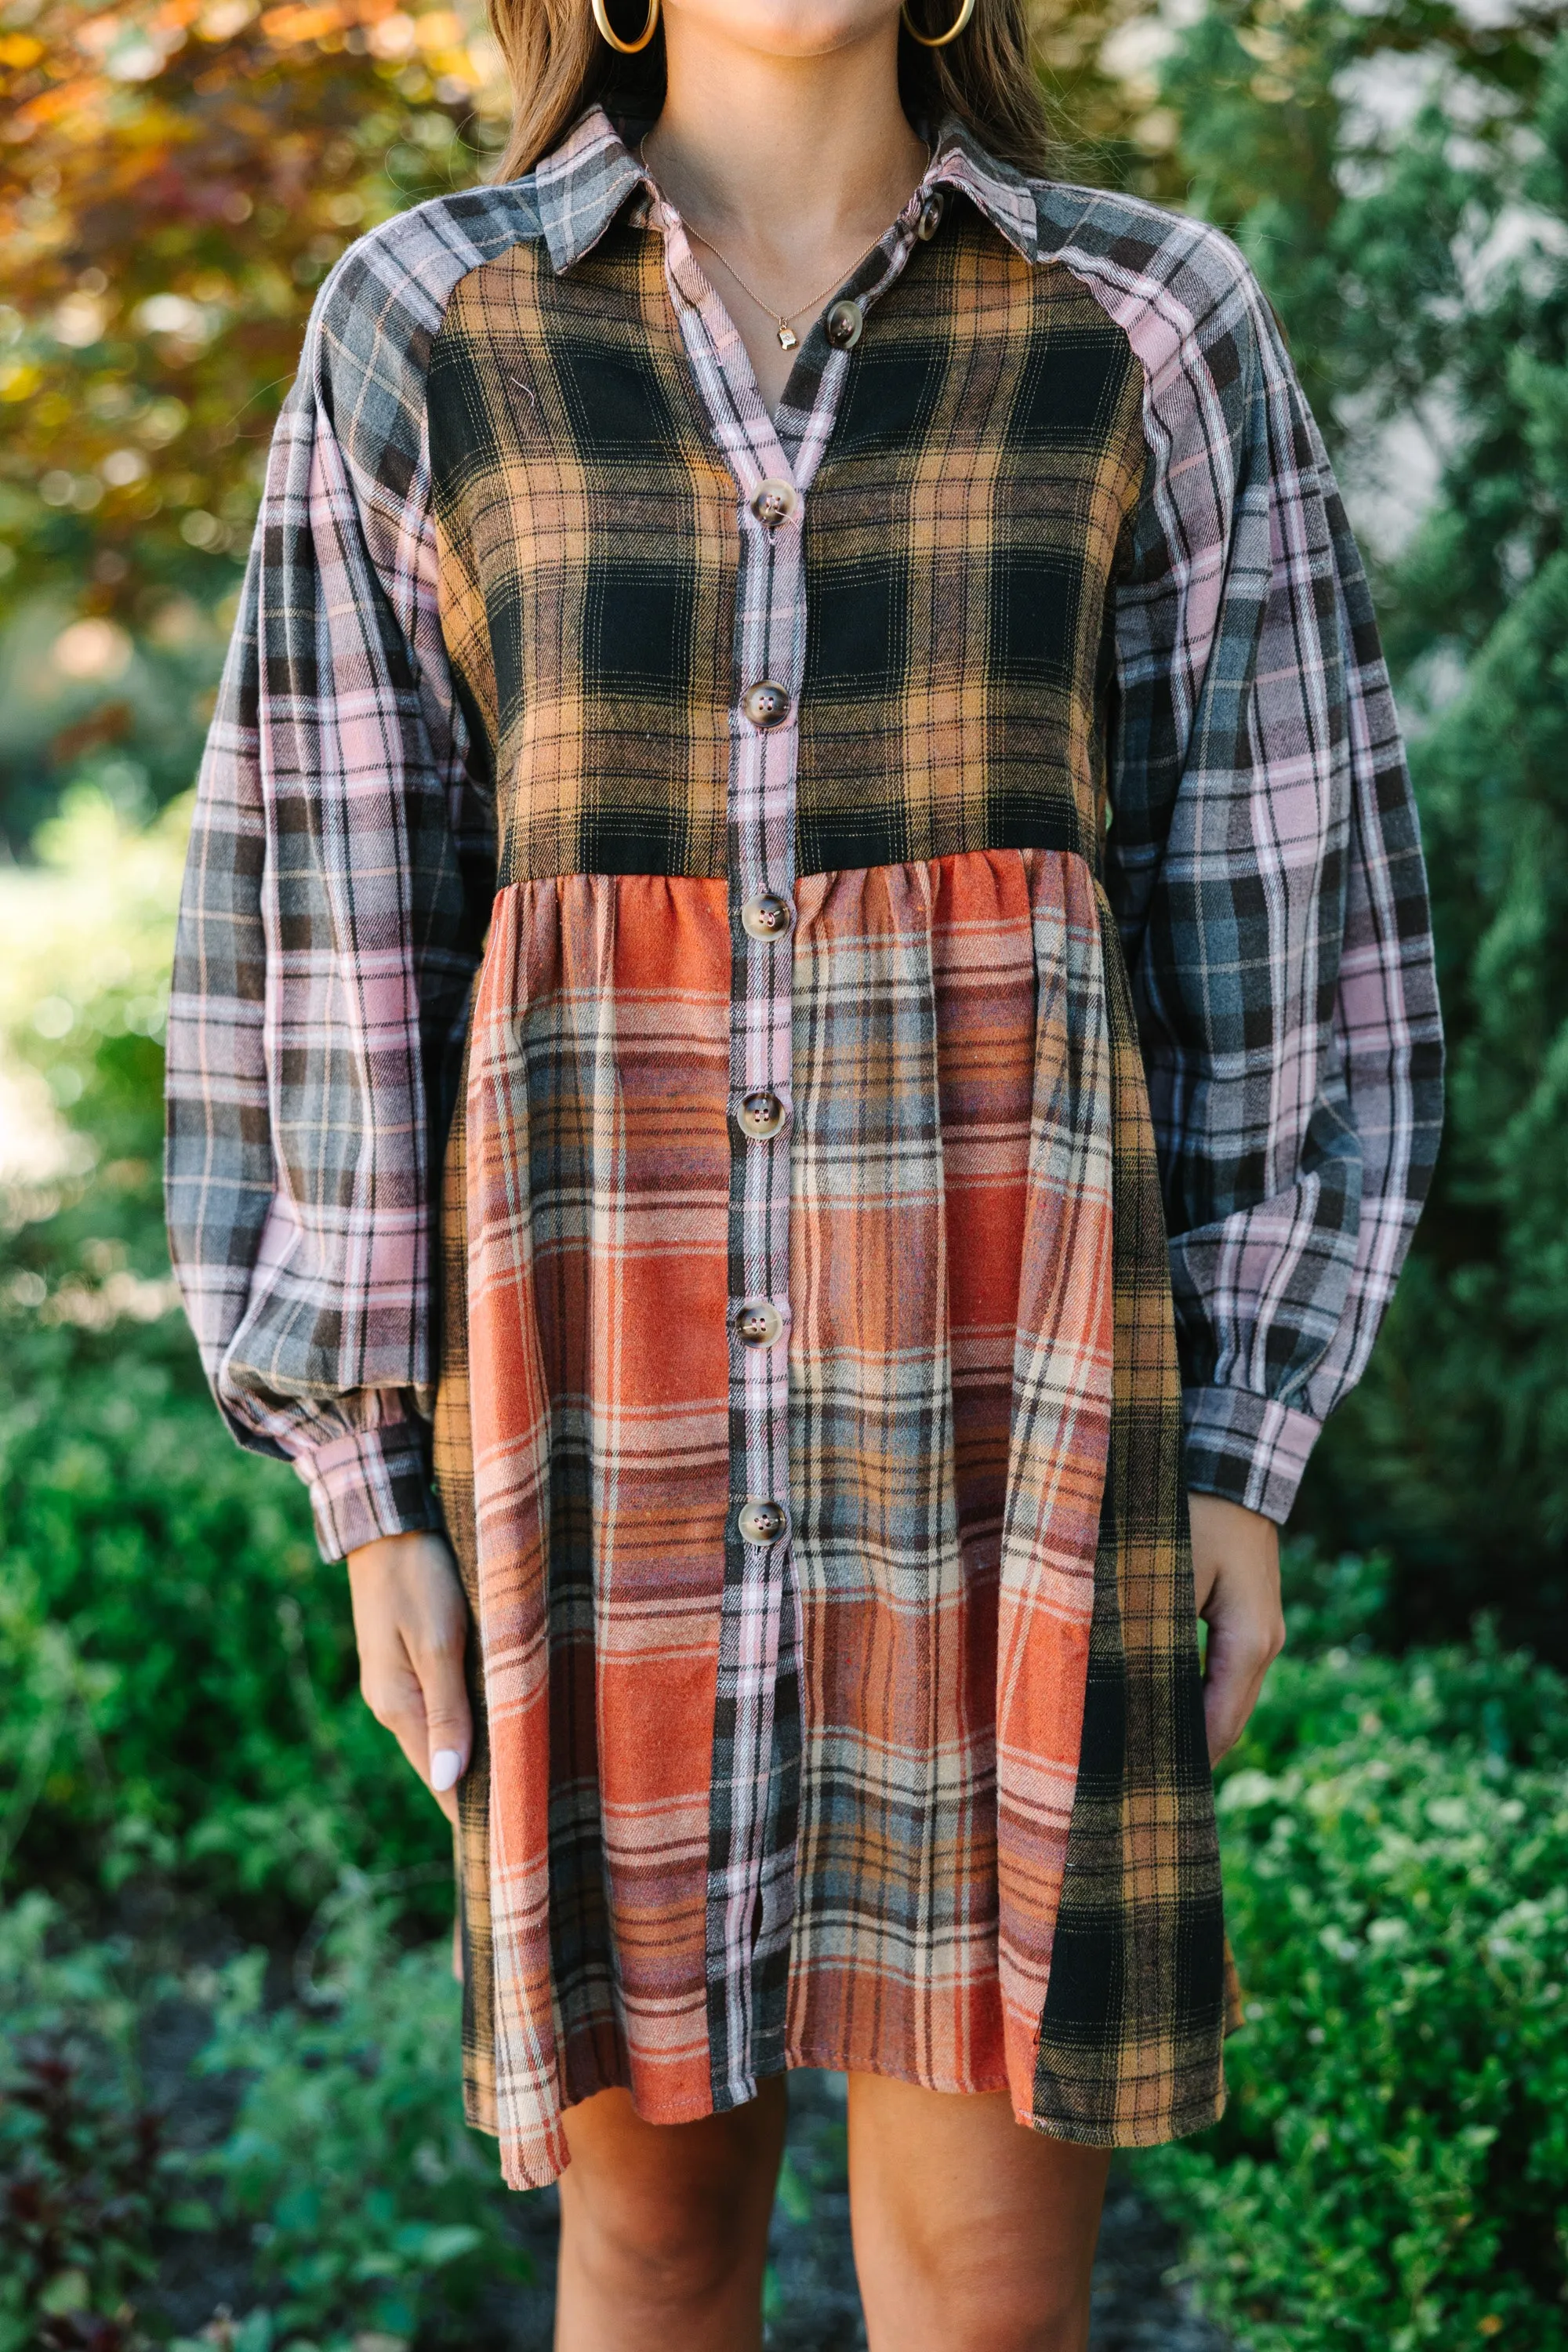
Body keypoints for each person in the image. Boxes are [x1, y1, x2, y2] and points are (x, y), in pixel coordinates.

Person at [164, 0, 1443, 2343]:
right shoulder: (430, 324)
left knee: (988, 2281)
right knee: (648, 2240)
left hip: (1015, 1426)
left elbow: (1284, 925)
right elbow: (330, 926)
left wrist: (1245, 1448)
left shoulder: (1147, 322)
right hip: (605, 1427)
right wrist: (368, 1485)